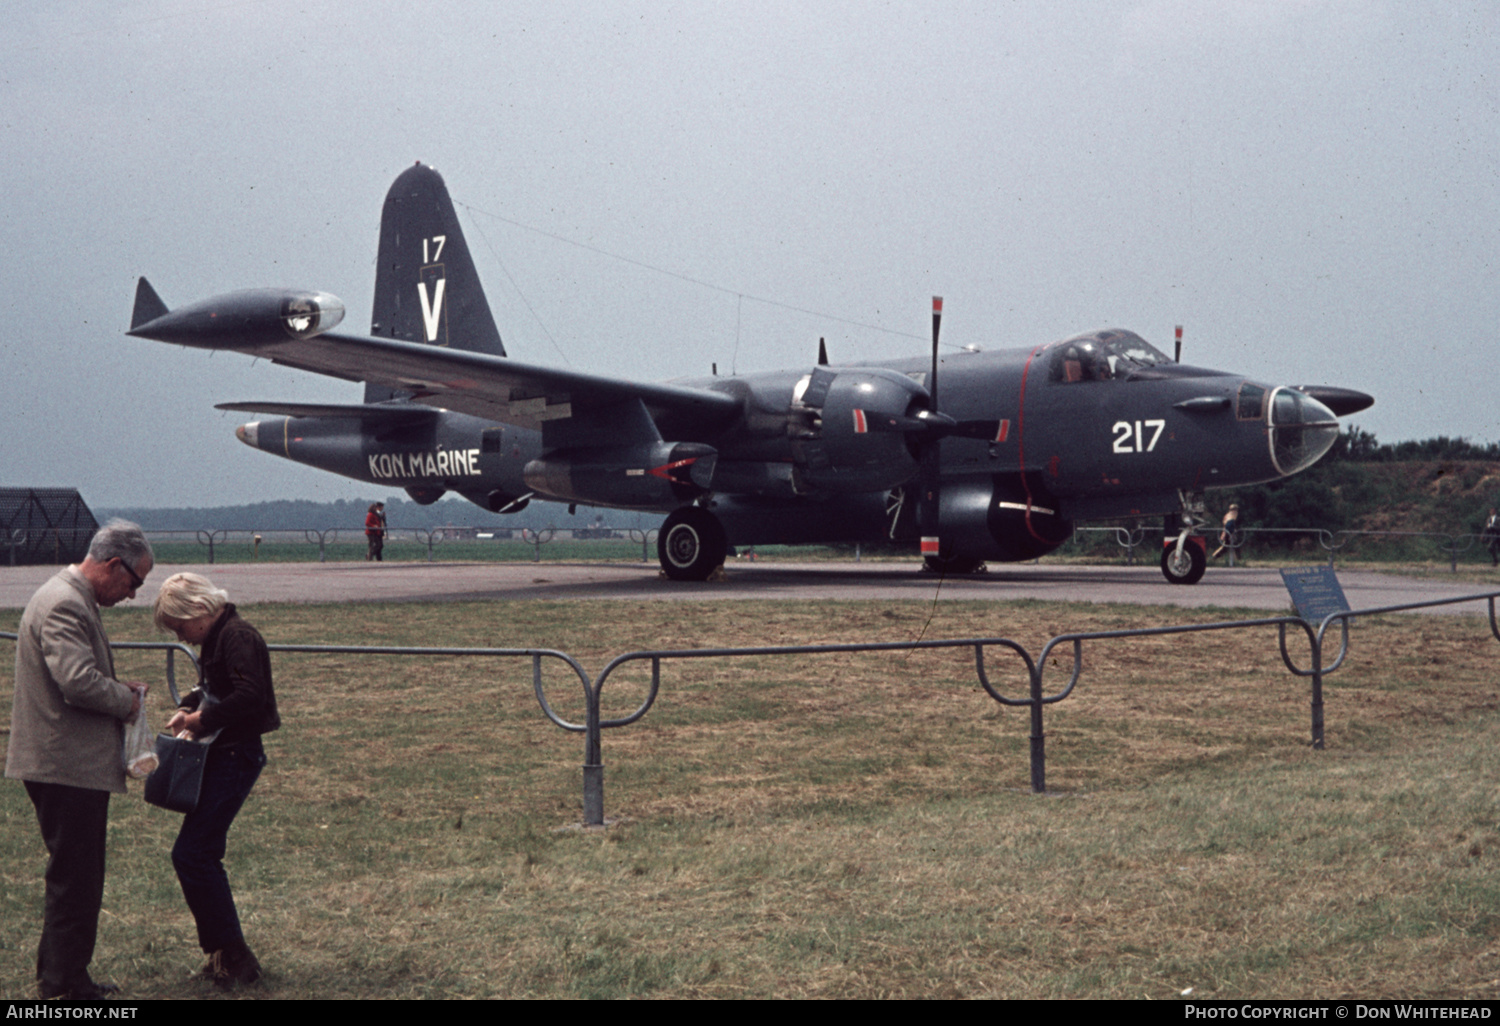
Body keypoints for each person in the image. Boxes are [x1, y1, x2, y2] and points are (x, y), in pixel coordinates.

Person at [6, 519, 153, 999]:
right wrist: (125, 701)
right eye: (135, 582)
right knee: (76, 879)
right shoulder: (66, 603)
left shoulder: (65, 596)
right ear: (113, 565)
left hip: (63, 764)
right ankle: (63, 989)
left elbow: (78, 676)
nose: (133, 594)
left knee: (74, 874)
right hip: (65, 767)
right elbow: (77, 682)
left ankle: (62, 974)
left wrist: (116, 689)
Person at [154, 572, 280, 989]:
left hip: (235, 756)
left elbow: (250, 695)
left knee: (193, 854)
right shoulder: (220, 636)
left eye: (180, 626)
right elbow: (216, 685)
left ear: (199, 611)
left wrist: (200, 719)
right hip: (223, 754)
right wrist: (190, 702)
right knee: (198, 853)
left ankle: (235, 957)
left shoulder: (238, 636)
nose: (182, 636)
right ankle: (226, 955)